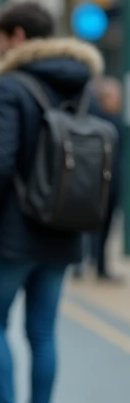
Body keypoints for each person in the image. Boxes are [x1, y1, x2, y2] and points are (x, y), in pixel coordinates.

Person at [0, 1, 103, 403]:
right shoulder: (81, 85)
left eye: (0, 39)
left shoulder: (11, 86)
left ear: (18, 36)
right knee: (42, 333)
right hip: (65, 224)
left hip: (15, 227)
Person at [76, 77, 122, 282]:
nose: (118, 100)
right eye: (115, 96)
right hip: (93, 183)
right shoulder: (99, 120)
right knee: (89, 227)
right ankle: (84, 263)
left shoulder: (113, 120)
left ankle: (99, 266)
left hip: (110, 183)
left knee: (104, 228)